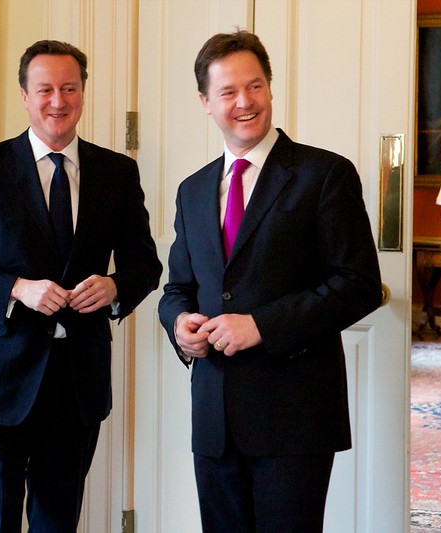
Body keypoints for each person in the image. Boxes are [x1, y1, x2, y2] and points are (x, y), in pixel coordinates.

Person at [0, 40, 162, 532]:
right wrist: (17, 288)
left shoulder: (117, 173)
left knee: (57, 524)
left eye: (69, 88)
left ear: (82, 92)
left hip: (77, 382)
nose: (58, 101)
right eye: (45, 90)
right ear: (24, 95)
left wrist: (115, 286)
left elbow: (145, 265)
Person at [158, 30, 382, 532]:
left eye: (255, 86)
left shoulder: (324, 174)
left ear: (270, 90)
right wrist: (180, 325)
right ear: (205, 103)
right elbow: (177, 290)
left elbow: (359, 282)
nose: (245, 102)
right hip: (214, 418)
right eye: (229, 92)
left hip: (294, 418)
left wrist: (260, 325)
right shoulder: (192, 190)